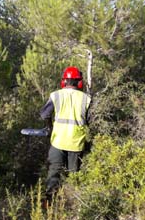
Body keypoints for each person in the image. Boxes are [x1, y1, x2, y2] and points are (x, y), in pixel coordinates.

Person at [40, 66, 91, 199]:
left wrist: (50, 128)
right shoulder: (86, 99)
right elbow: (92, 121)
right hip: (76, 143)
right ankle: (73, 203)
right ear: (79, 82)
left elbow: (44, 114)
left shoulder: (56, 95)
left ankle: (49, 203)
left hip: (57, 141)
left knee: (54, 174)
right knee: (74, 176)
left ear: (64, 81)